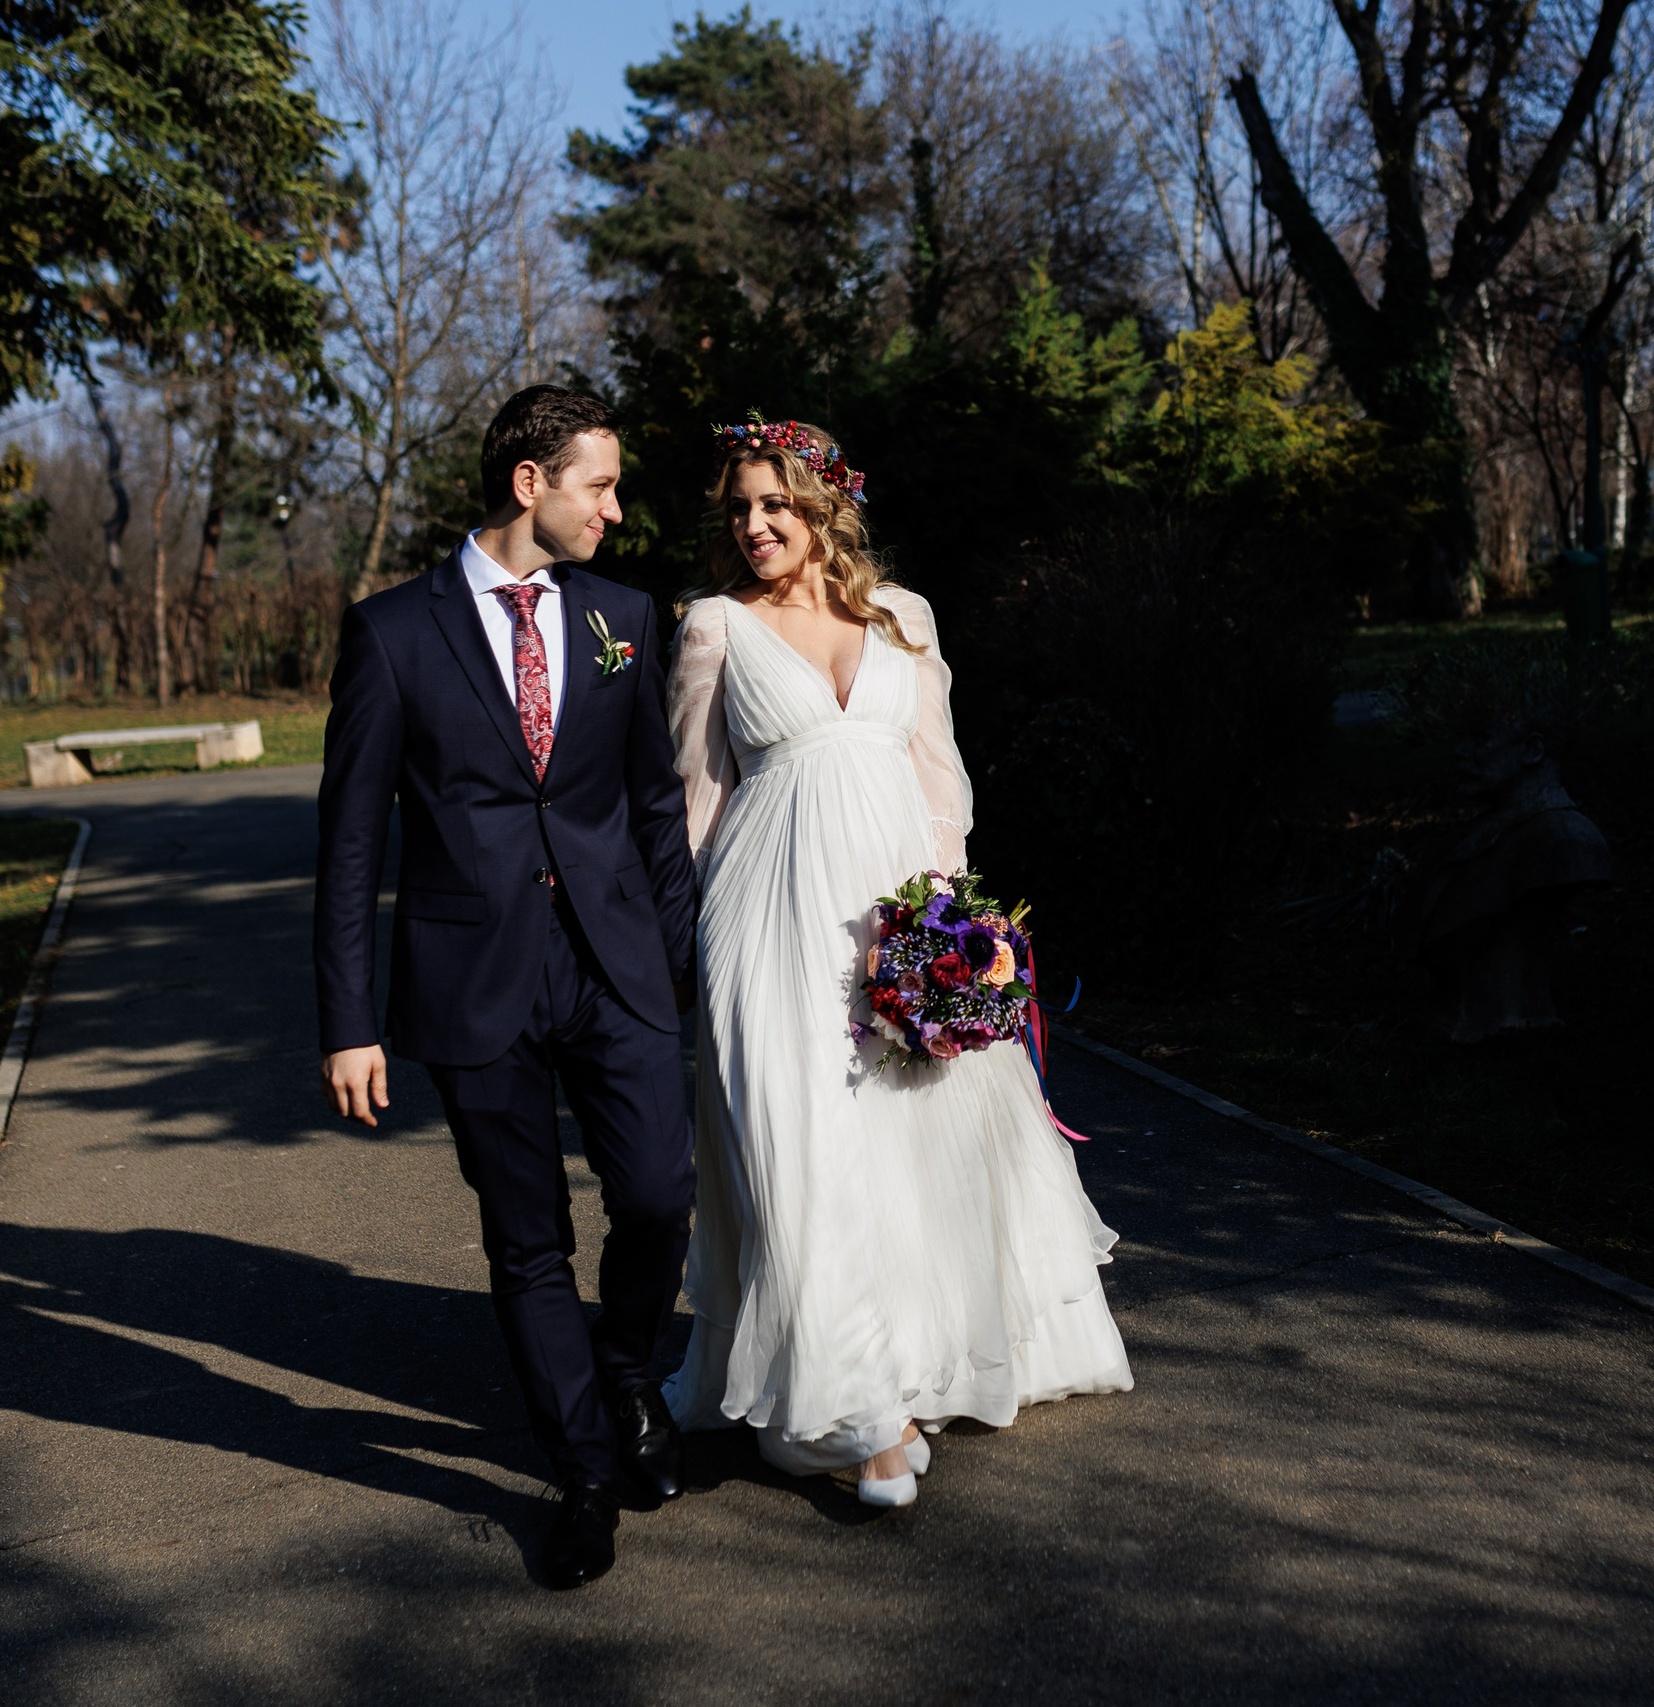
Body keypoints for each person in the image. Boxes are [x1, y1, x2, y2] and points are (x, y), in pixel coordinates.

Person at [663, 417, 1131, 1506]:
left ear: (825, 507)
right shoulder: (713, 627)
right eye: (739, 508)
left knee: (913, 1140)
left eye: (775, 503)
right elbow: (695, 801)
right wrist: (683, 946)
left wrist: (952, 931)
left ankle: (913, 1365)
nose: (754, 525)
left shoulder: (902, 618)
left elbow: (939, 781)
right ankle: (862, 1411)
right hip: (767, 915)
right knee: (801, 1140)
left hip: (896, 912)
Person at [313, 385, 699, 1590]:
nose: (615, 510)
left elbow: (653, 805)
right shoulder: (391, 631)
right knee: (527, 1240)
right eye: (601, 486)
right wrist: (350, 1022)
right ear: (530, 483)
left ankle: (627, 1374)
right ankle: (583, 1473)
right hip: (472, 978)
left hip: (616, 964)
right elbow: (351, 843)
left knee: (659, 1195)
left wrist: (678, 961)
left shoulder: (624, 615)